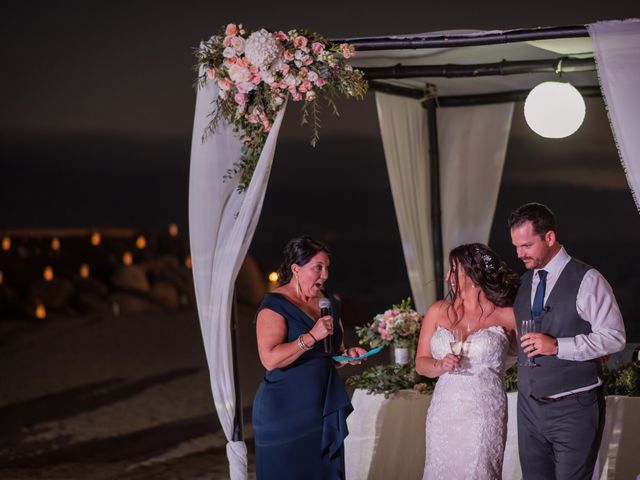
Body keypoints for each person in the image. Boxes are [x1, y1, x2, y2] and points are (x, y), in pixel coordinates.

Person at [509, 202, 626, 480]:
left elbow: (615, 336)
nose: (519, 253)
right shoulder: (525, 283)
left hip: (573, 410)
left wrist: (558, 346)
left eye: (526, 245)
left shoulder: (588, 279)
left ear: (549, 237)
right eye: (515, 246)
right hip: (528, 411)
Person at [252, 236, 367, 480]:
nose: (324, 275)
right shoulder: (274, 306)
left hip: (322, 409)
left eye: (327, 268)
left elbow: (333, 353)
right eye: (318, 267)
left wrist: (348, 356)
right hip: (283, 411)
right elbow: (270, 359)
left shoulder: (329, 304)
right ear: (296, 268)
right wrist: (311, 337)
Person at [416, 243, 520, 480]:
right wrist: (440, 365)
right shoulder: (437, 311)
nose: (446, 277)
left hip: (485, 410)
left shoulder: (507, 314)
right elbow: (421, 363)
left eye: (453, 271)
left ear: (473, 275)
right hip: (444, 411)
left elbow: (524, 356)